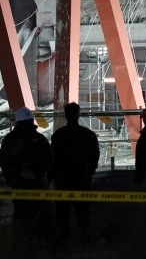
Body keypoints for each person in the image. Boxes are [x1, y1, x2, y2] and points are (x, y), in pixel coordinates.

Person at [0, 106, 53, 251]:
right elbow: (49, 158)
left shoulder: (10, 140)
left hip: (19, 185)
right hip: (37, 183)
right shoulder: (39, 139)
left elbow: (4, 161)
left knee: (22, 215)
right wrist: (38, 174)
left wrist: (16, 175)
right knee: (42, 214)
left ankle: (21, 246)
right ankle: (43, 244)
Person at [48, 101, 100, 246]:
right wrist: (89, 173)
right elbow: (95, 157)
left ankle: (63, 244)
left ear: (66, 116)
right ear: (78, 115)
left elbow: (53, 159)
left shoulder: (58, 136)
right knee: (83, 214)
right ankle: (86, 244)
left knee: (62, 215)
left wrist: (51, 177)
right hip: (82, 180)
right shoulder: (88, 135)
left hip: (62, 181)